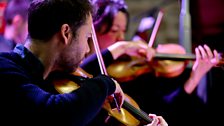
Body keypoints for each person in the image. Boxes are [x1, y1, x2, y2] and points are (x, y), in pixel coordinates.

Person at [0, 0, 168, 126]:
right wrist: (106, 83)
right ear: (66, 33)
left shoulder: (50, 81)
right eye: (87, 37)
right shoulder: (5, 68)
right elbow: (57, 115)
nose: (88, 50)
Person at [80, 0, 221, 126]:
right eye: (114, 30)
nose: (121, 38)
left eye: (123, 31)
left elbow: (164, 110)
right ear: (93, 31)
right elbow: (82, 71)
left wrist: (195, 77)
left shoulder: (132, 74)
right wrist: (121, 47)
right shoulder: (78, 66)